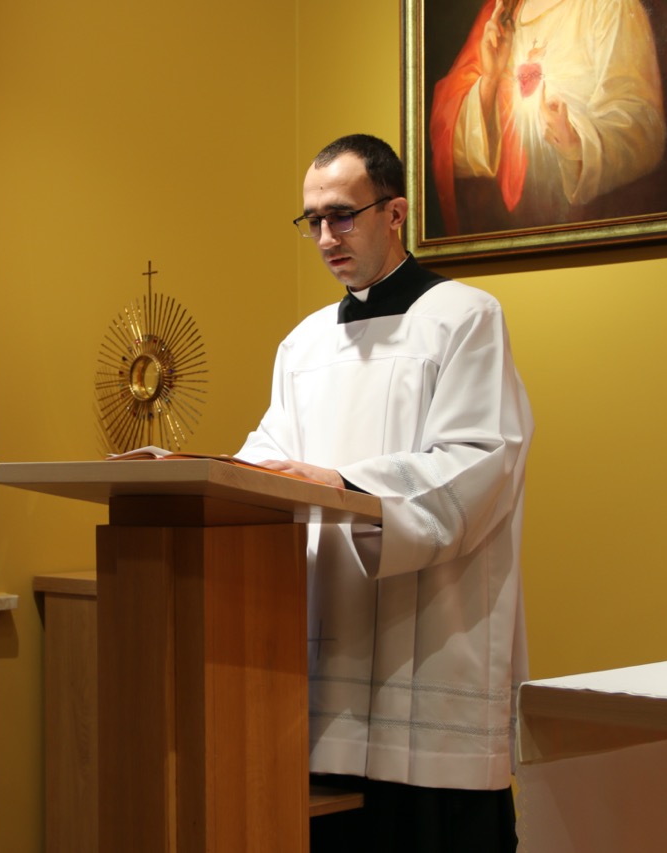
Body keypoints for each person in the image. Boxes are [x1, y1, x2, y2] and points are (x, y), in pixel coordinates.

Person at [235, 134, 532, 852]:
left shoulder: (464, 317)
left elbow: (480, 458)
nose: (325, 237)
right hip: (329, 636)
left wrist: (348, 483)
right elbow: (268, 459)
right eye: (312, 220)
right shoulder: (303, 345)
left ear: (394, 213)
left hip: (430, 635)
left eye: (342, 215)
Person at [429, 0, 667, 235]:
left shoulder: (611, 6)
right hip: (515, 231)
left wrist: (575, 143)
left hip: (590, 228)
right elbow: (450, 151)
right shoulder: (501, 13)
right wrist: (490, 82)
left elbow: (643, 128)